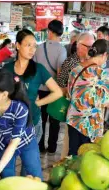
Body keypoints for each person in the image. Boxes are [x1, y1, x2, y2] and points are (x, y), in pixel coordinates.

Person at [0, 69, 43, 181]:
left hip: (26, 141)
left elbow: (14, 142)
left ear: (4, 94)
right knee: (7, 178)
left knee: (35, 176)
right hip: (3, 141)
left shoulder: (20, 108)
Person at [3, 29, 62, 144]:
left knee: (30, 161)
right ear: (18, 45)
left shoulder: (39, 69)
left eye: (34, 46)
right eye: (28, 45)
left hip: (32, 123)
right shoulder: (7, 68)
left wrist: (38, 103)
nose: (32, 49)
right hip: (10, 122)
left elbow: (57, 92)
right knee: (9, 158)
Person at [67, 39, 109, 155]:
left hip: (74, 120)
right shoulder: (101, 74)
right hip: (90, 123)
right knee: (87, 157)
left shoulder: (75, 69)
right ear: (104, 55)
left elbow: (69, 93)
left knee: (73, 155)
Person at [34, 20, 67, 155]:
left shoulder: (39, 48)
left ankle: (40, 145)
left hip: (40, 89)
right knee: (54, 120)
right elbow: (60, 72)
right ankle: (52, 147)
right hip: (55, 90)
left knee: (41, 119)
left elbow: (35, 69)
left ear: (49, 31)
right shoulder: (62, 49)